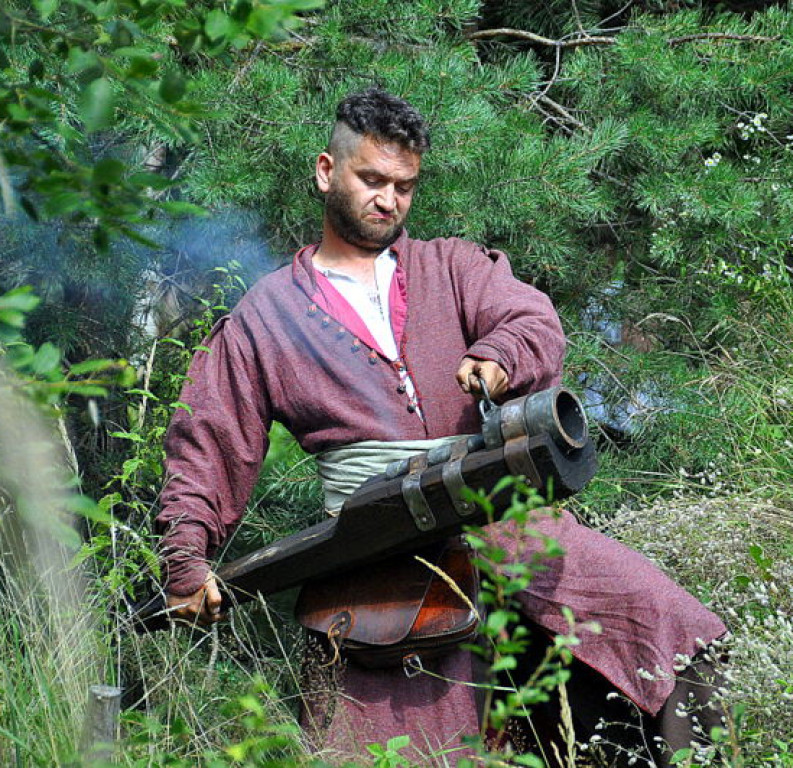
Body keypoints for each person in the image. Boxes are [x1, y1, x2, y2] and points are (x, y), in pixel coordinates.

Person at [156, 87, 727, 765]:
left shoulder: (453, 266)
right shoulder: (266, 313)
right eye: (371, 179)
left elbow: (532, 319)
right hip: (373, 557)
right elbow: (209, 440)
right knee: (399, 748)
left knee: (676, 635)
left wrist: (499, 356)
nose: (388, 200)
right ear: (325, 171)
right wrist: (186, 557)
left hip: (503, 524)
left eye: (404, 186)